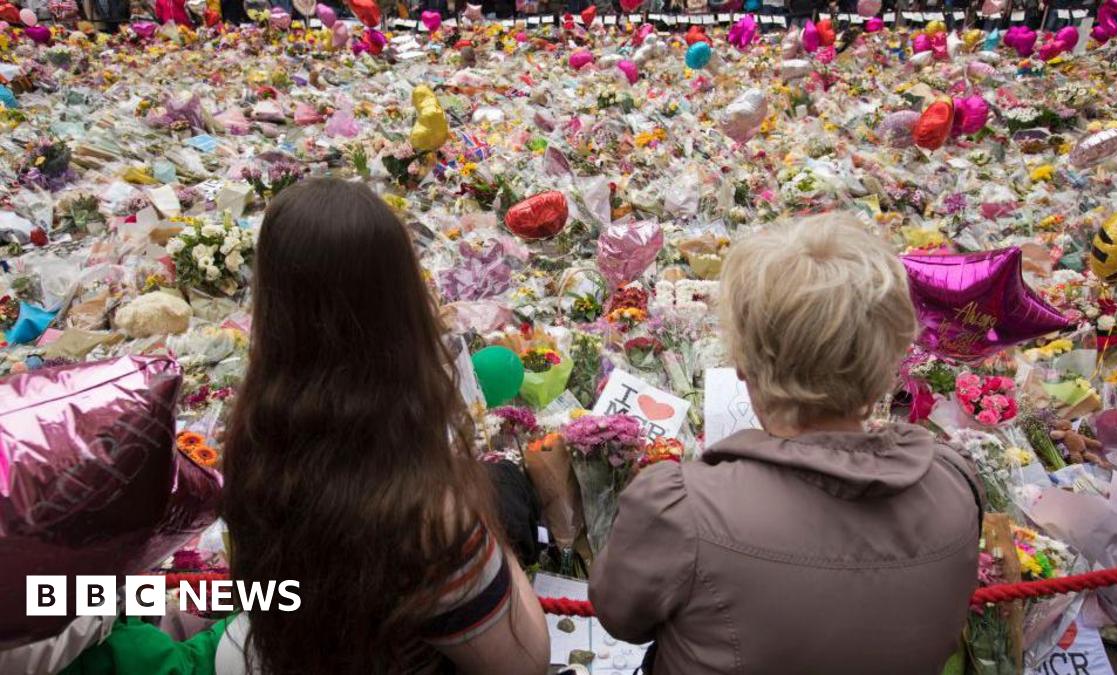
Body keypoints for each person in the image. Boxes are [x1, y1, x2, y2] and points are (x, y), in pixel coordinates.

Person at [589, 212, 982, 675]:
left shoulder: (682, 509)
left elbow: (620, 618)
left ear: (744, 362)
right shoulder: (955, 485)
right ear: (891, 356)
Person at [219, 178, 549, 675]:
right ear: (401, 304)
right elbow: (526, 664)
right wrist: (493, 540)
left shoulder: (251, 441)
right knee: (509, 494)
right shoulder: (425, 511)